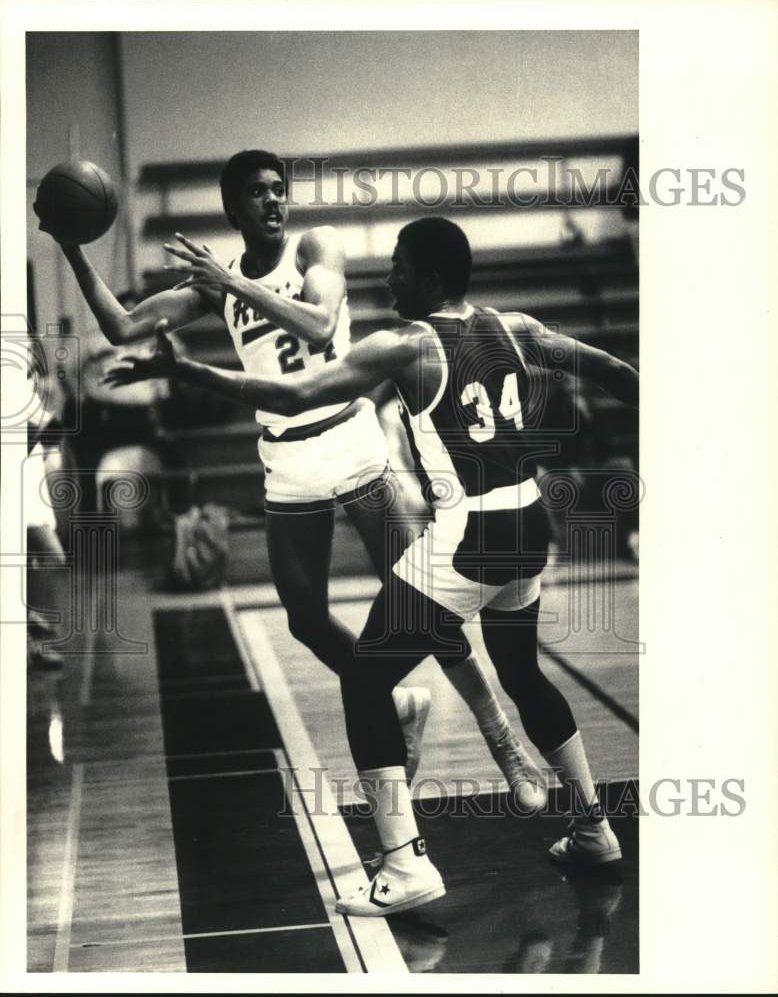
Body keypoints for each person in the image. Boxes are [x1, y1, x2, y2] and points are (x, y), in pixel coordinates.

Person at [106, 216, 639, 917]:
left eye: (398, 266)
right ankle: (593, 828)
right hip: (531, 528)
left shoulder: (407, 345)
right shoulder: (518, 327)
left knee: (364, 678)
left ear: (430, 277)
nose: (388, 279)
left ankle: (404, 863)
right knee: (523, 673)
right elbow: (615, 371)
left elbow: (295, 396)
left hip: (472, 537)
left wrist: (186, 369)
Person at [43, 150, 542, 794]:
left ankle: (503, 741)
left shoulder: (315, 247)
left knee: (431, 613)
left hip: (352, 443)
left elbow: (319, 321)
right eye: (258, 192)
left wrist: (232, 287)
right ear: (233, 208)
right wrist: (70, 245)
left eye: (280, 189)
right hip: (287, 458)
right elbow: (121, 325)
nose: (274, 201)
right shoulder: (216, 282)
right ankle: (394, 703)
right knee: (305, 618)